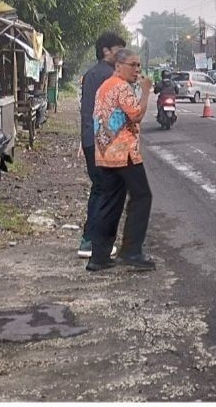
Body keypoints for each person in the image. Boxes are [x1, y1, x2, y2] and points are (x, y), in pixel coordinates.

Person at [87, 48, 155, 272]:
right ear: (118, 66)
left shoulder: (104, 86)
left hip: (105, 151)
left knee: (110, 202)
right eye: (132, 65)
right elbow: (136, 115)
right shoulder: (121, 87)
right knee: (142, 196)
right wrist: (145, 92)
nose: (137, 70)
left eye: (139, 66)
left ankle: (99, 257)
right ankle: (131, 251)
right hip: (124, 152)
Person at [77, 32, 126, 258]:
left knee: (99, 189)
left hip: (89, 139)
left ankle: (88, 239)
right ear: (106, 51)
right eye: (118, 50)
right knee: (108, 192)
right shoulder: (112, 77)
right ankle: (95, 243)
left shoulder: (89, 75)